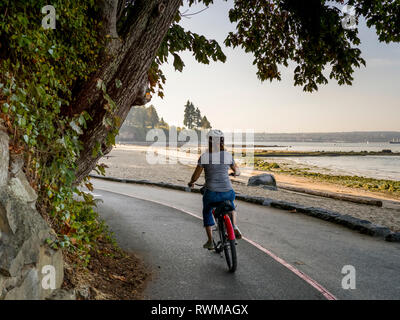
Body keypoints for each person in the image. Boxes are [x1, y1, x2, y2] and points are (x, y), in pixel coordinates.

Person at [188, 129, 242, 250]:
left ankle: (210, 241)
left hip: (211, 193)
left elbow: (195, 176)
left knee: (207, 211)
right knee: (231, 205)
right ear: (222, 141)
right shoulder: (228, 155)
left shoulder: (205, 157)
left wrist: (191, 182)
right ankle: (234, 226)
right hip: (228, 192)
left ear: (209, 141)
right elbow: (237, 171)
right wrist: (235, 174)